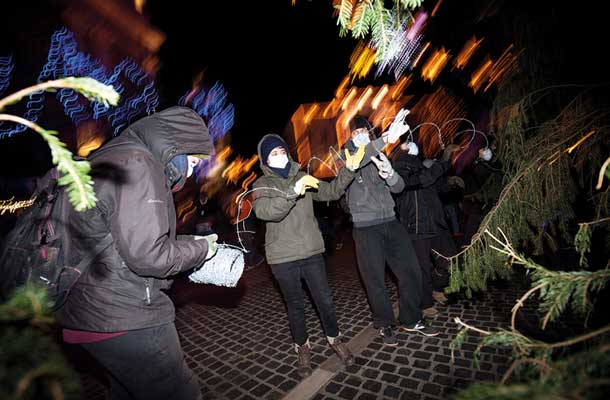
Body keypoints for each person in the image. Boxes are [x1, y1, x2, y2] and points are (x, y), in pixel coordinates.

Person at [55, 106, 218, 400]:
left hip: (87, 314)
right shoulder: (139, 164)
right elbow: (149, 256)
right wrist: (203, 249)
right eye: (193, 161)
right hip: (126, 315)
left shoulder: (111, 156)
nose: (193, 171)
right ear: (175, 147)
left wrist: (186, 240)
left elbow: (122, 237)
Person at [252, 134, 365, 377]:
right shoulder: (261, 184)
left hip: (311, 252)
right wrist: (292, 192)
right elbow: (266, 212)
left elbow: (331, 191)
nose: (279, 155)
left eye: (282, 151)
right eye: (273, 153)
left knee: (325, 300)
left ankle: (335, 340)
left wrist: (349, 170)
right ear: (265, 160)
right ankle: (302, 347)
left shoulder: (303, 176)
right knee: (295, 305)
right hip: (282, 257)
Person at [342, 114, 440, 347]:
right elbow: (358, 160)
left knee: (411, 271)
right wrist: (386, 139)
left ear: (370, 132)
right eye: (356, 133)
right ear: (351, 137)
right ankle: (385, 322)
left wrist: (391, 174)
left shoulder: (379, 152)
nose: (360, 135)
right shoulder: (347, 154)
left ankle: (410, 317)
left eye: (364, 131)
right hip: (366, 228)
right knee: (374, 278)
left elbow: (399, 188)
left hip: (390, 221)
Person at [392, 143, 462, 317]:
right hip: (416, 226)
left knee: (450, 258)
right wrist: (444, 161)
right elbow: (421, 180)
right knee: (422, 268)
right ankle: (425, 303)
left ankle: (437, 288)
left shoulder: (421, 166)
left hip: (436, 223)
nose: (413, 145)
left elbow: (434, 186)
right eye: (408, 144)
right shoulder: (399, 169)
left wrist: (449, 184)